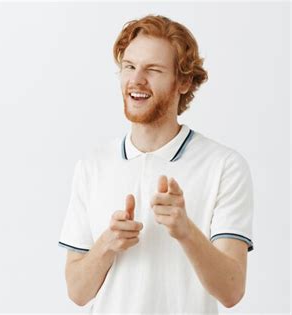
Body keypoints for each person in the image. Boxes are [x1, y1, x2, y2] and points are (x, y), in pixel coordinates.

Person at [58, 15, 254, 314]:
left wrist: (185, 230)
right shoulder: (92, 166)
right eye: (129, 67)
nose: (136, 80)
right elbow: (77, 292)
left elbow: (232, 291)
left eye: (153, 70)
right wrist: (107, 245)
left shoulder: (224, 165)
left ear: (184, 81)